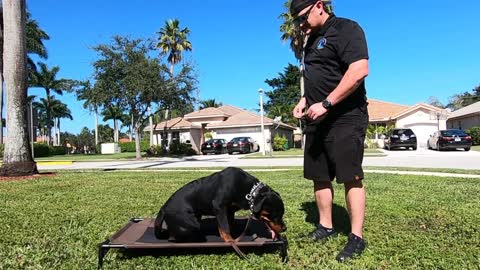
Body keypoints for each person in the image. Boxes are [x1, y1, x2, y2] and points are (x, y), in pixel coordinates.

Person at [290, 0, 370, 262]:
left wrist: (326, 103)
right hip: (317, 119)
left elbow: (359, 71)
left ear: (319, 5)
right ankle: (326, 226)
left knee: (350, 176)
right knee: (319, 175)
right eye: (296, 21)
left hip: (346, 116)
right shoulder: (311, 41)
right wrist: (304, 101)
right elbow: (316, 78)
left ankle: (356, 237)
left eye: (303, 17)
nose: (301, 24)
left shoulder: (346, 29)